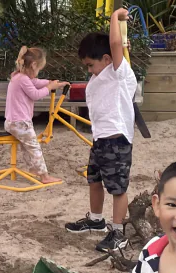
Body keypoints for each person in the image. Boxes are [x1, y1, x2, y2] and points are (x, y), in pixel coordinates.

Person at [65, 8, 137, 252]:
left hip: (116, 141)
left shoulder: (118, 72)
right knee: (94, 180)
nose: (88, 70)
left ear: (107, 59)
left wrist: (114, 17)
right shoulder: (99, 77)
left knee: (117, 188)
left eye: (90, 64)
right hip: (100, 140)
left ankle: (118, 233)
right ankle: (96, 220)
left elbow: (115, 42)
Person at [4, 46, 68, 184]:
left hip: (12, 121)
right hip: (20, 122)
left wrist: (52, 83)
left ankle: (34, 170)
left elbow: (36, 82)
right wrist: (49, 88)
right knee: (34, 146)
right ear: (33, 65)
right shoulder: (23, 79)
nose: (38, 72)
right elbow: (35, 94)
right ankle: (44, 176)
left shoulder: (18, 76)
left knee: (28, 146)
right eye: (39, 69)